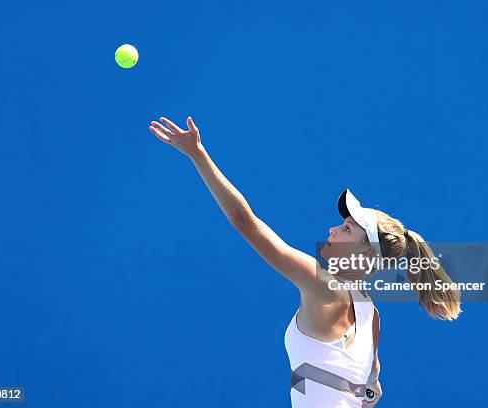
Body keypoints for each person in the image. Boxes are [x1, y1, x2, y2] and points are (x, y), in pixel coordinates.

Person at [149, 116, 462, 407]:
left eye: (347, 228)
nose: (333, 229)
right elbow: (372, 380)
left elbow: (245, 221)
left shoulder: (323, 285)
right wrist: (369, 385)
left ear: (366, 253)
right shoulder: (371, 316)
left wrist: (197, 154)